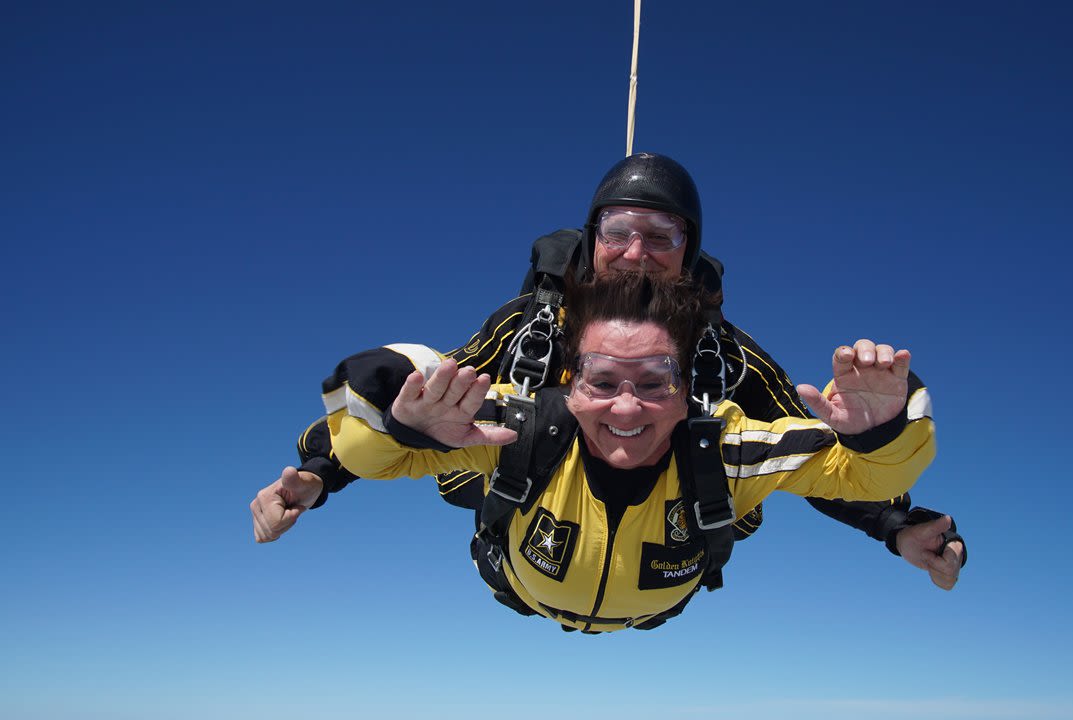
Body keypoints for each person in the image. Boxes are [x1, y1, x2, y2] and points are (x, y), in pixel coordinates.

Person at [254, 152, 965, 590]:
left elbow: (814, 454)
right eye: (617, 233)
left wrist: (896, 522)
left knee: (733, 453)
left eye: (661, 237)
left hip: (665, 554)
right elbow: (425, 402)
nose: (635, 252)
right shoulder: (528, 330)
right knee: (486, 425)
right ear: (591, 241)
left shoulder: (731, 360)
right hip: (529, 526)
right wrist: (322, 471)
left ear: (690, 252)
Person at [265, 271, 935, 633]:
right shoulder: (517, 428)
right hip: (522, 585)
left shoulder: (725, 449)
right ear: (568, 381)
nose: (624, 407)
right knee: (453, 448)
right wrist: (397, 429)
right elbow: (376, 451)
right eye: (600, 381)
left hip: (653, 606)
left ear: (690, 390)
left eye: (656, 384)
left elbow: (855, 475)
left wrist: (880, 433)